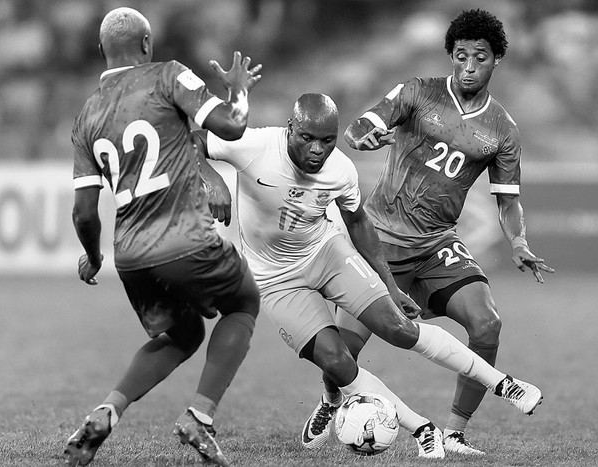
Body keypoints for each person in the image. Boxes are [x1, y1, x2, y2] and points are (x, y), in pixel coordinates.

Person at [196, 92, 543, 459]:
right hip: (276, 280)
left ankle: (505, 385)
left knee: (399, 328)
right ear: (290, 129)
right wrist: (210, 179)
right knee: (338, 359)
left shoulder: (341, 169)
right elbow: (190, 140)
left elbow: (358, 222)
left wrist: (390, 287)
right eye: (307, 138)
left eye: (327, 140)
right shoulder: (252, 145)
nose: (317, 150)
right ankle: (422, 428)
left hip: (327, 253)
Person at [332, 8, 556, 456]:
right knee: (341, 354)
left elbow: (508, 200)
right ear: (450, 56)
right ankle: (328, 402)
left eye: (480, 57)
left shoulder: (503, 130)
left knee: (487, 323)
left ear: (497, 61)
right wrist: (364, 138)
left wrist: (518, 242)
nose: (469, 67)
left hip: (437, 244)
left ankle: (454, 430)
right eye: (460, 56)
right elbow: (362, 126)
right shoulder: (417, 93)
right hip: (379, 240)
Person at [63, 7, 262, 467]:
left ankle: (108, 409)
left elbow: (84, 211)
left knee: (184, 331)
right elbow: (232, 126)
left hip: (131, 257)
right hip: (185, 237)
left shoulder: (87, 114)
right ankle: (201, 417)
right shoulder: (168, 74)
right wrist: (237, 91)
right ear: (147, 45)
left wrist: (92, 257)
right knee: (243, 303)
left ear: (102, 52)